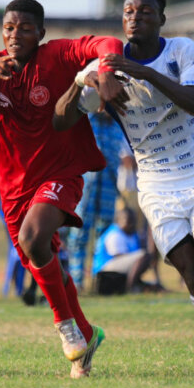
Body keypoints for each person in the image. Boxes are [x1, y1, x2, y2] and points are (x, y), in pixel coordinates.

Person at [55, 0, 194, 382]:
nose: (135, 16)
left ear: (162, 19)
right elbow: (61, 118)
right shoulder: (107, 66)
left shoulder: (182, 51)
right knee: (191, 274)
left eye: (146, 11)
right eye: (129, 11)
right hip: (156, 186)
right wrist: (85, 81)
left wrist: (145, 73)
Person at [0, 0, 128, 379]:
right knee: (40, 256)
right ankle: (85, 337)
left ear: (41, 33)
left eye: (25, 28)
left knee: (34, 239)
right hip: (13, 186)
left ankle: (64, 327)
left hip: (60, 173)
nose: (15, 35)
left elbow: (105, 43)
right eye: (9, 28)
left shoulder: (57, 56)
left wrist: (109, 68)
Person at [65, 110, 126, 291]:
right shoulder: (88, 120)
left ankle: (98, 281)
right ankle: (77, 282)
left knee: (104, 237)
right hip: (86, 187)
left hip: (109, 187)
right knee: (79, 235)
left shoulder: (117, 125)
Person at [92, 208, 160, 294]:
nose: (131, 223)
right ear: (118, 220)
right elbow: (120, 256)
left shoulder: (132, 234)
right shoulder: (115, 233)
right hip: (104, 269)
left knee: (145, 256)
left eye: (133, 220)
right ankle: (130, 287)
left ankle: (138, 285)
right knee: (144, 256)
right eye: (128, 220)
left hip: (118, 268)